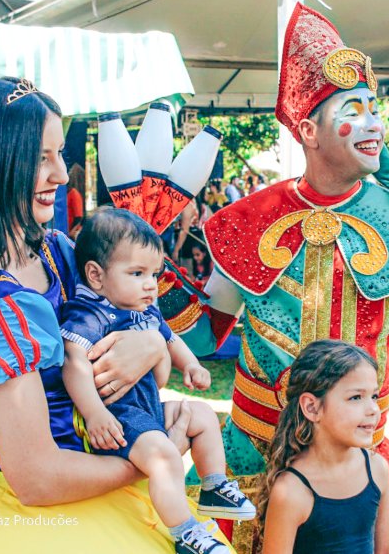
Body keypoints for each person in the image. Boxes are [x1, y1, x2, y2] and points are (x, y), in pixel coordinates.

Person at [163, 4, 389, 553]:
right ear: (309, 130)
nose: (373, 124)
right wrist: (146, 277)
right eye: (353, 109)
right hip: (247, 465)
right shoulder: (247, 219)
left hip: (359, 475)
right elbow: (199, 338)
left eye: (373, 110)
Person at [0, 76, 231, 554]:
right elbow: (37, 479)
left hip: (103, 464)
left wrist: (148, 344)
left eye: (59, 154)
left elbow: (155, 344)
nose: (62, 175)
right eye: (41, 158)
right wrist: (154, 456)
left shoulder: (63, 253)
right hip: (39, 507)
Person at [60, 207, 254, 554]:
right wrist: (94, 414)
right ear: (96, 274)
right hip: (118, 419)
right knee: (164, 455)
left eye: (155, 272)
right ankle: (185, 533)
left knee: (203, 415)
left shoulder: (144, 307)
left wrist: (191, 365)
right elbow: (73, 363)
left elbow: (169, 338)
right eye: (137, 273)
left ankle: (213, 485)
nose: (151, 284)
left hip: (146, 410)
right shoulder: (90, 312)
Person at [256, 340, 389, 554]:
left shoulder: (377, 468)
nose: (373, 409)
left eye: (374, 396)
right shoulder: (291, 492)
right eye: (356, 397)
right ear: (312, 407)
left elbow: (385, 550)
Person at [67, 163, 86, 239]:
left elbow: (78, 217)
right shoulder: (67, 193)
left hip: (72, 233)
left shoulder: (74, 193)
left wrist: (72, 232)